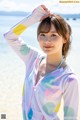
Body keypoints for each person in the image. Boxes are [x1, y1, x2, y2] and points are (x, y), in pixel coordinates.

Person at [4, 5, 79, 120]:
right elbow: (10, 36)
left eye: (53, 35)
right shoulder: (33, 58)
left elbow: (70, 118)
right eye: (42, 35)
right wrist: (33, 18)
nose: (47, 41)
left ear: (65, 38)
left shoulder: (68, 79)